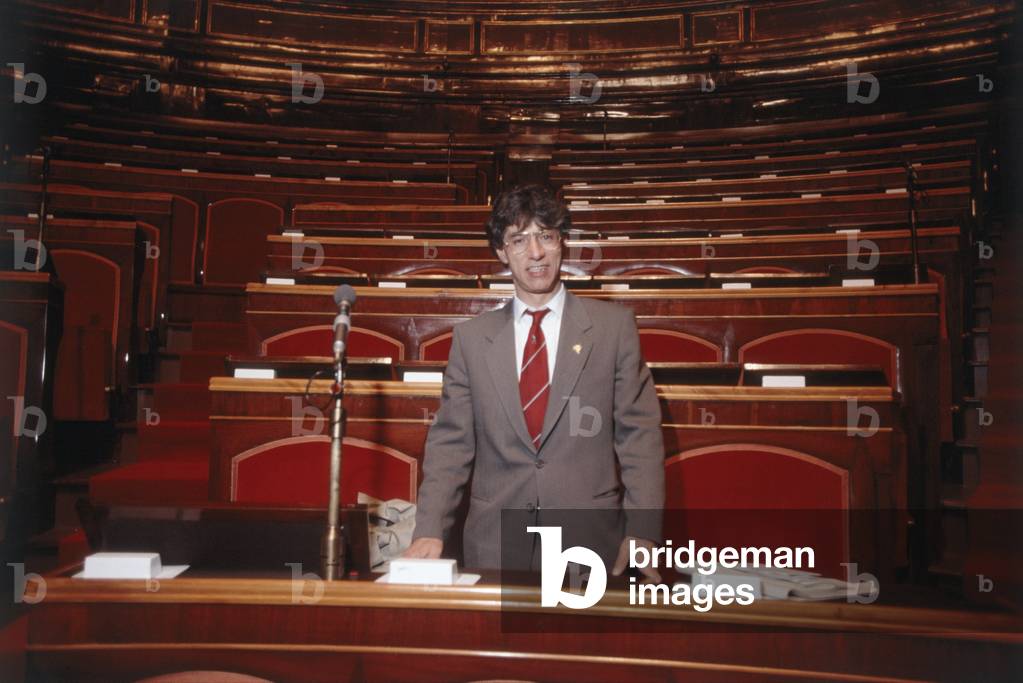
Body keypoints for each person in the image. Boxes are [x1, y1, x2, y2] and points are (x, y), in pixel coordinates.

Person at [404, 185, 664, 580]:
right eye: (519, 239)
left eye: (545, 235)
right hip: (495, 542)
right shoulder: (471, 340)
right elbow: (450, 446)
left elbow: (639, 438)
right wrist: (429, 529)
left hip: (589, 541)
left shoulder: (614, 329)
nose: (536, 253)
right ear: (501, 252)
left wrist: (643, 531)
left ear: (562, 243)